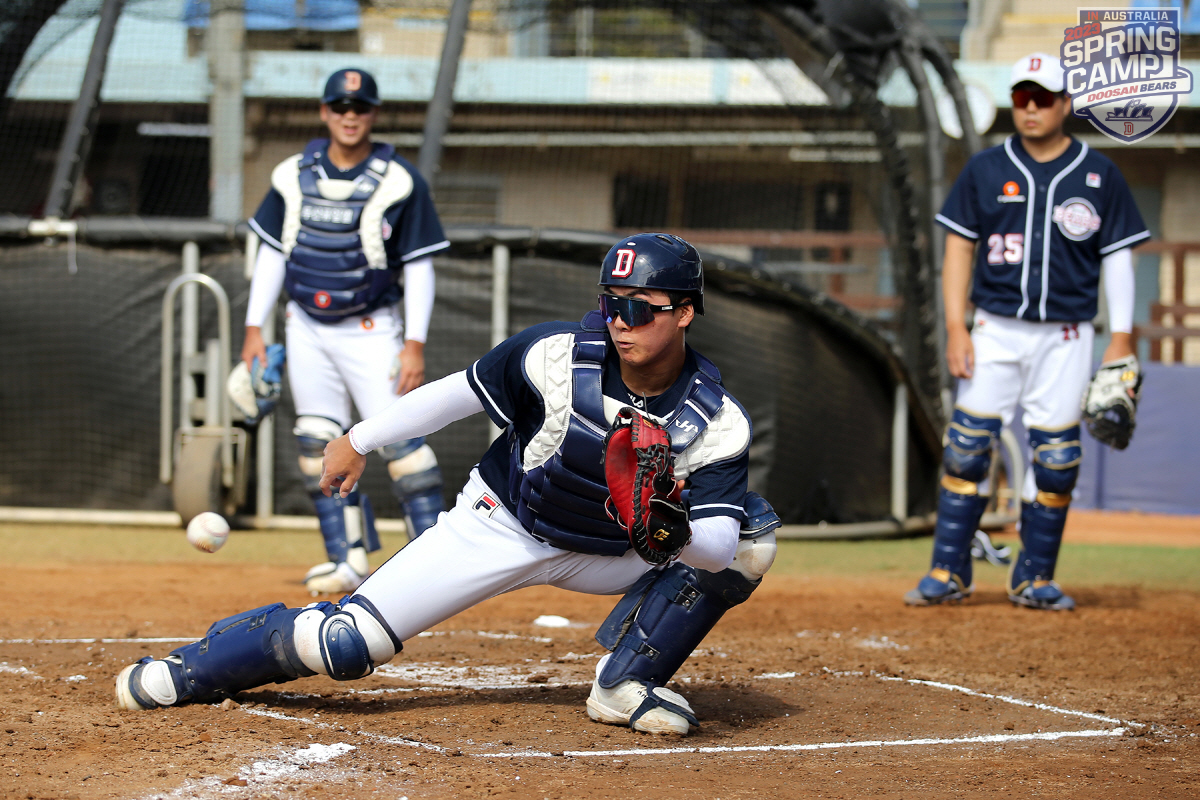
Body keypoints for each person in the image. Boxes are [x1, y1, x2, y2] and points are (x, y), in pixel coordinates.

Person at [116, 233, 780, 736]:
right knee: (344, 644)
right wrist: (359, 439)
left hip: (613, 552)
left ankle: (624, 683)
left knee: (752, 533)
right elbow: (453, 396)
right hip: (501, 525)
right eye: (611, 304)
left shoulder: (717, 420)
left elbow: (718, 547)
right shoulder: (551, 355)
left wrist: (667, 530)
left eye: (642, 309)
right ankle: (192, 669)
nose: (620, 321)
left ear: (686, 312)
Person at [905, 54, 1149, 611]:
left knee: (1057, 458)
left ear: (1066, 104)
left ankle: (1034, 578)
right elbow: (958, 250)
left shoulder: (1099, 173)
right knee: (966, 451)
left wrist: (1121, 336)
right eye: (1022, 97)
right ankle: (949, 571)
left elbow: (1118, 258)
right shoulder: (986, 168)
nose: (1032, 107)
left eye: (1043, 97)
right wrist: (955, 327)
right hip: (993, 329)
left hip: (1066, 334)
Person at [243, 68, 450, 595]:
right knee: (317, 443)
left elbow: (419, 266)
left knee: (405, 448)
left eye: (359, 108)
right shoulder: (292, 174)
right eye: (339, 106)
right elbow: (272, 254)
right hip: (306, 327)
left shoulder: (400, 180)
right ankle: (349, 559)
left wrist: (414, 344)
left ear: (373, 114)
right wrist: (253, 329)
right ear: (324, 111)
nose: (349, 116)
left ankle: (434, 564)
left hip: (370, 327)